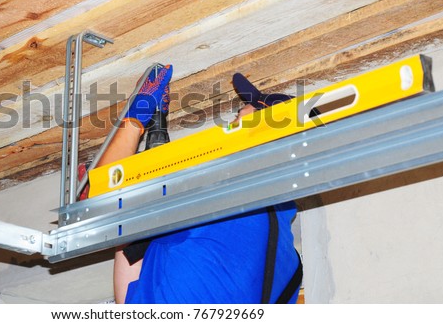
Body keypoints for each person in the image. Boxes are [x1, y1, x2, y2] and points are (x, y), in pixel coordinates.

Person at [94, 65, 302, 304]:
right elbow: (133, 261)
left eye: (237, 120)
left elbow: (105, 206)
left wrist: (136, 118)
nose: (227, 127)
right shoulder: (287, 264)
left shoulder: (222, 200)